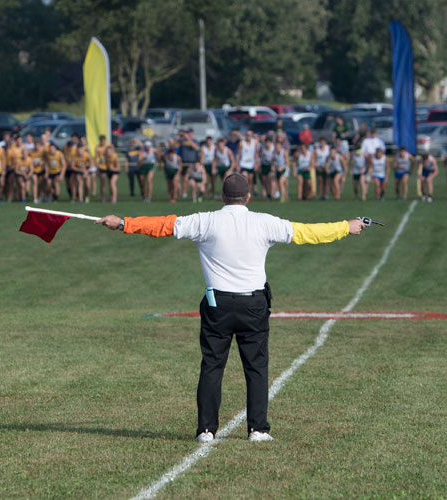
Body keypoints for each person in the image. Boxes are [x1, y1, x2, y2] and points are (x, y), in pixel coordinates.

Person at [93, 173, 368, 443]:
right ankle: (258, 429)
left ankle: (206, 430)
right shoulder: (264, 222)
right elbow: (308, 233)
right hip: (253, 305)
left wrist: (123, 223)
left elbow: (163, 225)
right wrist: (346, 227)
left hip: (217, 305)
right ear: (248, 197)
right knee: (256, 367)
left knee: (212, 366)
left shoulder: (205, 220)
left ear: (222, 197)